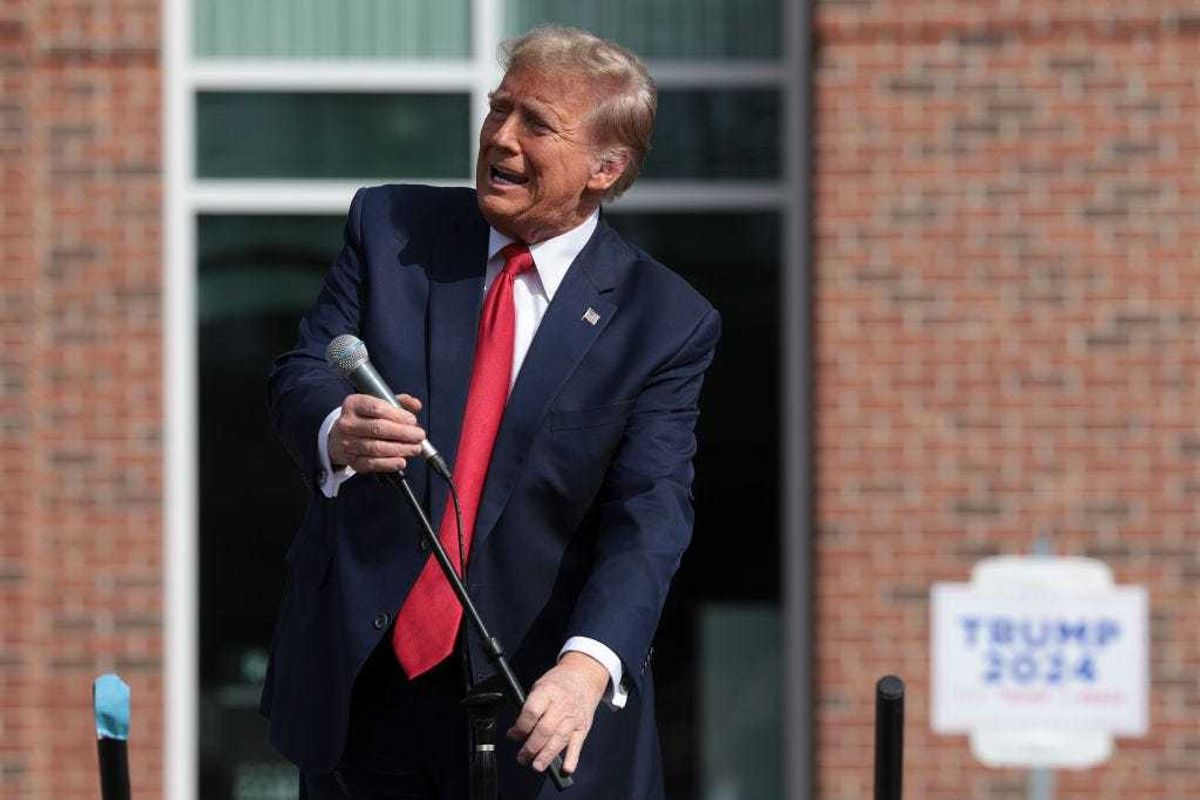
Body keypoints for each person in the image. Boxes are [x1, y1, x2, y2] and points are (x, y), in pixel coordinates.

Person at [261, 24, 720, 800]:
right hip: (362, 688)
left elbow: (650, 513)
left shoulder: (663, 321)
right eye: (499, 109)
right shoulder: (391, 228)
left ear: (605, 168)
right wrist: (337, 429)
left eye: (536, 123)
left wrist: (588, 665)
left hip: (530, 702)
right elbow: (303, 371)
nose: (501, 137)